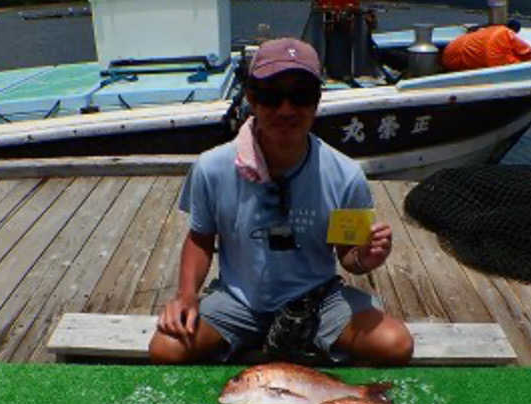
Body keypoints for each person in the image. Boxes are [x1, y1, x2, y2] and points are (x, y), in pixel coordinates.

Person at [149, 37, 413, 366]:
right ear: (251, 98)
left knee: (395, 344)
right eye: (272, 96)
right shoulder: (211, 167)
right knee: (166, 348)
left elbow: (348, 257)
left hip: (319, 300)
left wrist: (365, 257)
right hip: (238, 302)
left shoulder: (346, 174)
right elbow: (200, 238)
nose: (286, 110)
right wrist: (186, 296)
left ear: (317, 101)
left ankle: (304, 341)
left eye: (301, 96)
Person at [442, 19, 531, 71]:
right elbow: (529, 52)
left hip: (449, 53)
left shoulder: (490, 30)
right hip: (457, 62)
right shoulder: (506, 34)